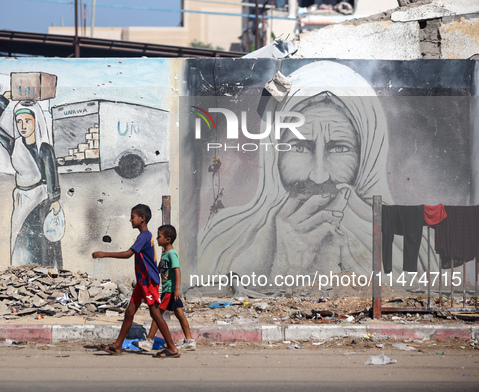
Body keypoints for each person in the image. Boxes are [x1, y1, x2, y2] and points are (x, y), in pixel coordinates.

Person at [198, 61, 438, 286]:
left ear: (367, 156)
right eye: (300, 147)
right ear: (275, 153)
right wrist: (279, 263)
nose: (319, 176)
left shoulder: (409, 246)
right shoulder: (224, 237)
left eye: (339, 148)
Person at [0, 91, 63, 269]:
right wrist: (4, 99)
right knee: (20, 241)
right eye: (19, 121)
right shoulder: (14, 145)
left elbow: (52, 178)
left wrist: (55, 201)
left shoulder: (44, 149)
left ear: (36, 121)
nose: (23, 126)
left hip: (41, 202)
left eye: (27, 121)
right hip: (21, 201)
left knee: (41, 245)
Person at [92, 204, 180, 358]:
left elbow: (128, 254)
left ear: (142, 218)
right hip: (142, 282)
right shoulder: (146, 236)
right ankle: (117, 346)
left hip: (148, 282)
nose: (130, 220)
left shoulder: (144, 236)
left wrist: (103, 254)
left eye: (132, 217)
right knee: (129, 313)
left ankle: (172, 348)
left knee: (156, 314)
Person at [135, 224, 196, 352]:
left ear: (168, 239)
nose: (157, 239)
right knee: (179, 314)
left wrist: (177, 289)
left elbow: (177, 270)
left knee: (157, 314)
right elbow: (159, 270)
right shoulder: (165, 254)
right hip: (170, 290)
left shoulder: (172, 254)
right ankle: (189, 340)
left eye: (159, 236)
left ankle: (149, 340)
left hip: (170, 291)